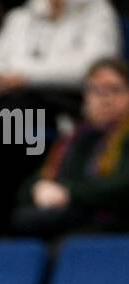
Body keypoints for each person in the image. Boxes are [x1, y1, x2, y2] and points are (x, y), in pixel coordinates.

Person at [13, 58, 129, 237]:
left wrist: (69, 193)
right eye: (96, 91)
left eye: (115, 89)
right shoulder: (73, 138)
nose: (105, 99)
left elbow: (122, 187)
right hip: (69, 220)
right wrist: (39, 189)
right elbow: (33, 184)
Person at [0, 0, 123, 102]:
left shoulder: (98, 11)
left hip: (64, 99)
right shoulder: (21, 16)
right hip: (5, 95)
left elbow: (97, 68)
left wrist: (26, 77)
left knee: (11, 111)